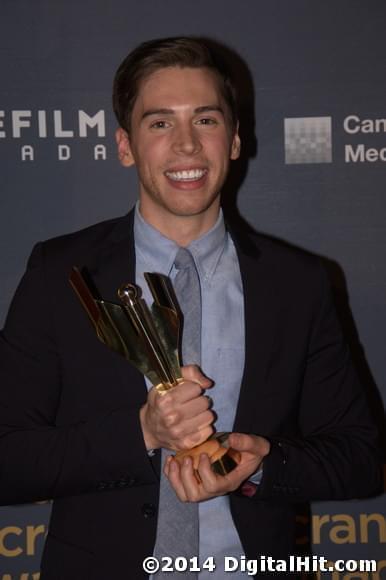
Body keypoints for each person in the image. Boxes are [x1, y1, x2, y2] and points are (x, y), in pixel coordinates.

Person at [0, 37, 381, 579]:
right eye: (159, 124)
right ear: (125, 145)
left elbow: (359, 459)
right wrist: (144, 432)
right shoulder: (62, 275)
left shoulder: (299, 284)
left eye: (205, 120)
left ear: (233, 140)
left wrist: (261, 468)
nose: (186, 145)